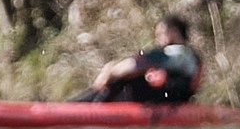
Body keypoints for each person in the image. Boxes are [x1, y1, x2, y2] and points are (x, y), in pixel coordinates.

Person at [73, 15, 201, 104]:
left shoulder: (180, 52)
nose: (158, 38)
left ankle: (80, 106)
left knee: (124, 80)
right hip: (168, 98)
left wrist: (110, 71)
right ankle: (80, 104)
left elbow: (139, 63)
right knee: (125, 79)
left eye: (160, 34)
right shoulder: (185, 54)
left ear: (173, 32)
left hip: (169, 100)